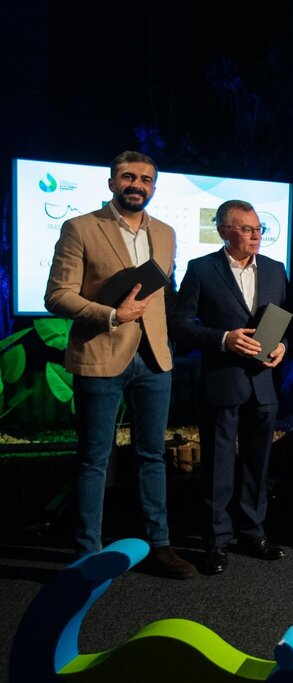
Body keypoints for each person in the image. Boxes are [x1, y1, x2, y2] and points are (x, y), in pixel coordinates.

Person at [44, 150, 194, 578]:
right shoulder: (80, 227)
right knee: (95, 459)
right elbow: (57, 295)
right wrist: (111, 315)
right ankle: (87, 553)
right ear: (112, 183)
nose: (137, 185)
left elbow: (165, 294)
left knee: (152, 456)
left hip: (154, 359)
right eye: (128, 177)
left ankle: (159, 545)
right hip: (100, 353)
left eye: (145, 180)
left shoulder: (165, 232)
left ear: (153, 187)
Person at [169, 199, 288, 574]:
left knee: (258, 464)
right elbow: (180, 325)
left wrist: (283, 345)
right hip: (222, 381)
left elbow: (288, 320)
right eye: (247, 229)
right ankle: (216, 540)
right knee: (218, 465)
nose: (256, 235)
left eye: (258, 229)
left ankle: (253, 532)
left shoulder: (275, 269)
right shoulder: (201, 269)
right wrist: (224, 339)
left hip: (264, 383)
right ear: (223, 231)